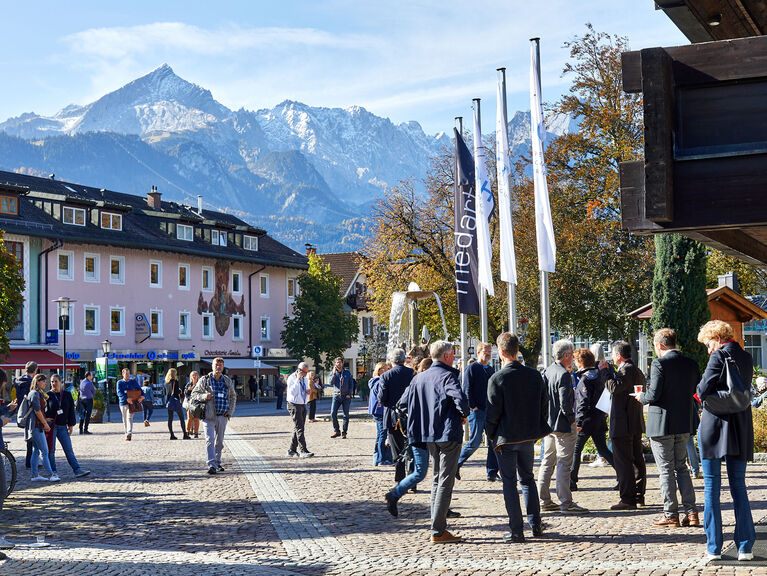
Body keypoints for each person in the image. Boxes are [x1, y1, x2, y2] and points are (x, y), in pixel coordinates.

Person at [385, 341, 469, 544]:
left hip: (427, 434)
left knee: (437, 478)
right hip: (447, 433)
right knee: (444, 482)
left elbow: (402, 404)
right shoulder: (448, 376)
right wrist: (463, 414)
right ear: (447, 356)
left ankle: (436, 526)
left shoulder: (418, 378)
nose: (455, 357)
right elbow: (461, 402)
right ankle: (438, 531)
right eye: (453, 354)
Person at [696, 320, 755, 562]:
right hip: (740, 427)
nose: (708, 348)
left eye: (708, 343)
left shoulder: (718, 356)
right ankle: (745, 547)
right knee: (739, 487)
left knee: (712, 488)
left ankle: (713, 548)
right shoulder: (747, 357)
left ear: (717, 337)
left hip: (715, 427)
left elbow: (701, 390)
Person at [486, 332, 551, 543]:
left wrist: (491, 435)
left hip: (506, 437)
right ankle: (536, 524)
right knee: (527, 479)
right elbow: (543, 405)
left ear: (501, 352)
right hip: (527, 436)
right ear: (517, 350)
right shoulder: (534, 375)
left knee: (509, 483)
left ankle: (516, 529)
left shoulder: (497, 378)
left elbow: (492, 413)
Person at [639, 328, 700, 525]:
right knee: (681, 467)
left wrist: (641, 398)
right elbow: (695, 390)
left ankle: (670, 513)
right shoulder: (690, 363)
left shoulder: (659, 363)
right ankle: (691, 512)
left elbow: (654, 394)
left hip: (662, 423)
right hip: (683, 421)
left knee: (666, 469)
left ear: (660, 345)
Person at [537, 340, 589, 515]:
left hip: (549, 425)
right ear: (566, 355)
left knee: (547, 461)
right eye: (572, 353)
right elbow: (565, 404)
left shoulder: (547, 371)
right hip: (563, 425)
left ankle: (543, 499)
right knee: (563, 464)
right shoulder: (564, 375)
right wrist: (572, 420)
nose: (573, 357)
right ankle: (566, 502)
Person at [604, 341, 647, 510]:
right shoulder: (637, 370)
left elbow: (614, 387)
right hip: (633, 422)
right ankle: (638, 495)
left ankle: (628, 498)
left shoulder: (626, 369)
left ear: (619, 355)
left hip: (623, 423)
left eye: (613, 354)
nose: (612, 358)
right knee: (636, 460)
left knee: (624, 462)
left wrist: (605, 373)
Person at [570, 348, 614, 491]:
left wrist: (580, 422)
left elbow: (583, 402)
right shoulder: (600, 376)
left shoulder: (585, 379)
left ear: (580, 362)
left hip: (587, 419)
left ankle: (572, 481)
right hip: (599, 417)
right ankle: (623, 474)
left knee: (576, 450)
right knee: (603, 449)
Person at [456, 342, 497, 482]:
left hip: (490, 411)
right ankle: (456, 463)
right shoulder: (471, 368)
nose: (488, 353)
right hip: (477, 411)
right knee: (475, 441)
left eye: (490, 351)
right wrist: (472, 406)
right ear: (479, 352)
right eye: (486, 351)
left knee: (494, 442)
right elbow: (466, 389)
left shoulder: (491, 370)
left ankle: (492, 472)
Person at [191, 358, 237, 474]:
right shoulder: (205, 380)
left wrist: (230, 411)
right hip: (208, 415)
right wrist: (204, 396)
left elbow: (233, 397)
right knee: (209, 440)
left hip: (222, 415)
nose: (218, 367)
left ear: (223, 367)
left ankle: (217, 461)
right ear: (212, 366)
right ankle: (211, 464)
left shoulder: (227, 380)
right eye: (216, 365)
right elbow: (194, 394)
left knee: (220, 441)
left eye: (221, 365)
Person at [377, 348, 415, 484]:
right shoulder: (412, 373)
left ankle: (400, 479)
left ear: (392, 360)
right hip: (410, 416)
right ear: (404, 359)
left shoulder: (386, 376)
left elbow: (381, 398)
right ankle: (412, 480)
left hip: (393, 416)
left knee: (397, 450)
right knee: (411, 448)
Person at [46, 374, 90, 478]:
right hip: (51, 426)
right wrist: (45, 420)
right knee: (51, 450)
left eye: (56, 381)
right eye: (52, 381)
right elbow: (43, 409)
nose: (54, 384)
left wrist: (71, 425)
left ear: (61, 382)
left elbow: (71, 410)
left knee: (68, 449)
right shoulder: (48, 395)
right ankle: (53, 472)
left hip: (62, 426)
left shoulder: (66, 394)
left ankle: (77, 470)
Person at [24, 374, 58, 481]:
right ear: (37, 382)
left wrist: (44, 420)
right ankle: (51, 474)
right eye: (43, 381)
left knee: (36, 450)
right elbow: (37, 411)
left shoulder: (37, 393)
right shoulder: (34, 394)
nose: (45, 383)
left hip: (36, 426)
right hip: (36, 426)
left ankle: (35, 475)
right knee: (45, 451)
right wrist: (45, 424)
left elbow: (39, 412)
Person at [285, 362, 313, 458]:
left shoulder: (305, 379)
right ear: (299, 370)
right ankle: (303, 450)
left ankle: (291, 450)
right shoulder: (292, 378)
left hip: (302, 404)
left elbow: (304, 389)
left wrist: (307, 391)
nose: (306, 374)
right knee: (300, 428)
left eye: (307, 372)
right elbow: (293, 392)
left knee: (297, 427)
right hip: (294, 404)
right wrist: (298, 380)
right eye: (304, 372)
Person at [14, 361, 37, 469]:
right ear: (35, 370)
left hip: (22, 411)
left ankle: (30, 461)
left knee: (29, 436)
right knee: (31, 436)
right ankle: (30, 462)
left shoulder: (18, 380)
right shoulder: (31, 382)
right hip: (30, 411)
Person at [368, 362, 391, 466]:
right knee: (382, 434)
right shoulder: (379, 382)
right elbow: (381, 397)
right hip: (380, 411)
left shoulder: (374, 381)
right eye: (385, 369)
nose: (387, 371)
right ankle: (381, 458)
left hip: (376, 411)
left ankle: (376, 457)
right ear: (380, 370)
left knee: (379, 434)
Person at [329, 357, 355, 439]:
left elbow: (351, 384)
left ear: (342, 363)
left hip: (346, 396)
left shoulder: (347, 372)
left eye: (340, 362)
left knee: (345, 415)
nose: (338, 364)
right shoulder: (333, 373)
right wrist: (333, 373)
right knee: (333, 413)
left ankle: (344, 432)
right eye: (337, 362)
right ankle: (336, 430)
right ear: (335, 364)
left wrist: (349, 394)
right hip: (336, 395)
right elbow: (330, 383)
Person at [116, 368, 143, 441]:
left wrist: (142, 396)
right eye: (126, 374)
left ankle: (129, 433)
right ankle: (126, 432)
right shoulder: (119, 382)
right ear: (123, 374)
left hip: (132, 403)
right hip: (123, 403)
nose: (128, 375)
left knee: (129, 417)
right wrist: (126, 398)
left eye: (128, 373)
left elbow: (139, 389)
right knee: (125, 418)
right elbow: (119, 392)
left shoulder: (133, 381)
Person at [165, 368, 189, 440]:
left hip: (169, 401)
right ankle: (185, 434)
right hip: (175, 400)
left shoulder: (166, 382)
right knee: (181, 418)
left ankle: (172, 435)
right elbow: (176, 392)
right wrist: (179, 391)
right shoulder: (175, 382)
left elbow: (165, 392)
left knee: (170, 418)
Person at [185, 371, 201, 438]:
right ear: (190, 377)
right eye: (192, 375)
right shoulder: (189, 384)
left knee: (196, 418)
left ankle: (196, 432)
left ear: (197, 376)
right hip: (190, 403)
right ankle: (187, 432)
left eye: (195, 375)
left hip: (197, 403)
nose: (194, 376)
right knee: (190, 418)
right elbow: (186, 394)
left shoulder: (200, 384)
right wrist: (188, 390)